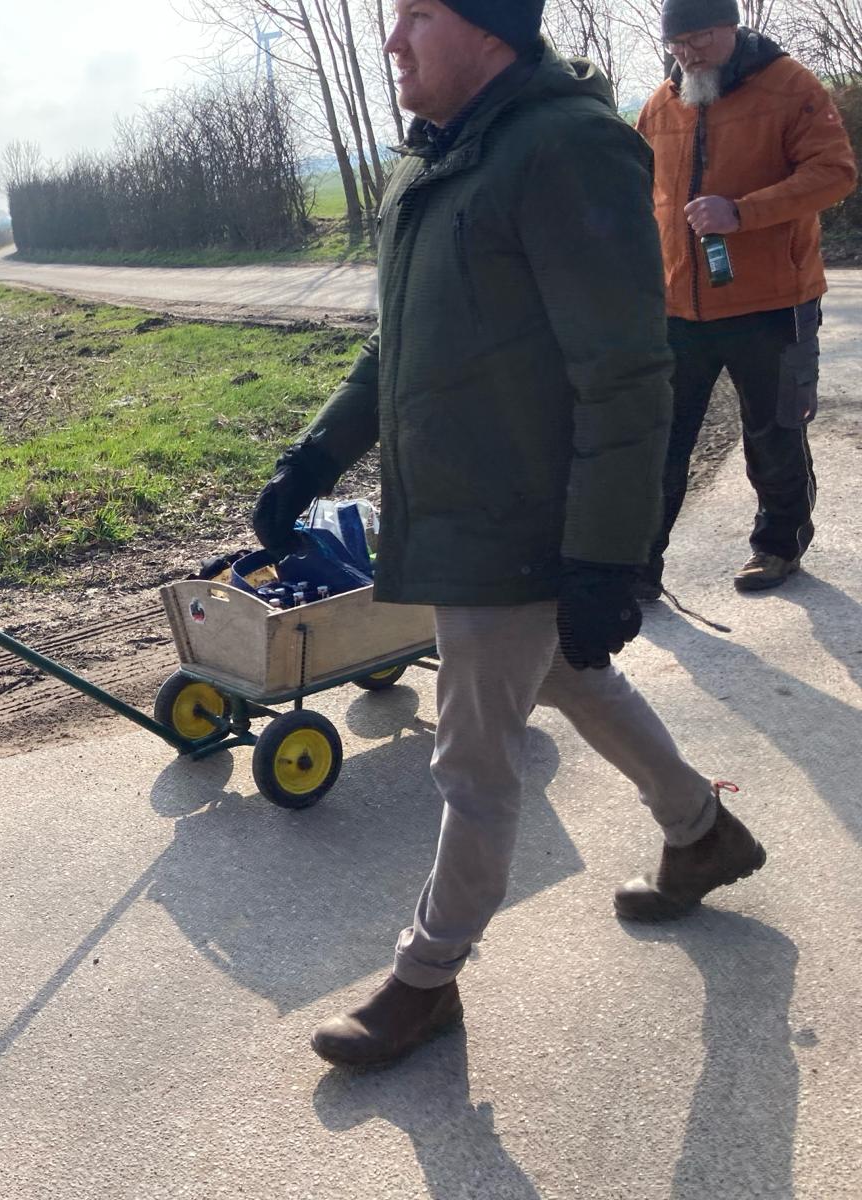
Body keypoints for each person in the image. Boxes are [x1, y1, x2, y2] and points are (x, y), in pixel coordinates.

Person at [251, 0, 765, 1068]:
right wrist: (313, 457)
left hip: (528, 522)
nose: (391, 42)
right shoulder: (430, 163)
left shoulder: (567, 149)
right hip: (461, 510)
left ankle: (424, 978)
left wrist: (606, 555)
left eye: (415, 16)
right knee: (571, 677)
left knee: (473, 763)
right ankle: (701, 833)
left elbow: (626, 372)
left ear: (486, 26)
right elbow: (397, 347)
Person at [637, 0, 856, 596]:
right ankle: (637, 568)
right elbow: (638, 192)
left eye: (700, 38)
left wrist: (742, 212)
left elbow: (835, 172)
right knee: (660, 439)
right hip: (678, 307)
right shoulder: (660, 104)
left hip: (773, 301)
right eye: (678, 43)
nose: (688, 54)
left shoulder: (790, 86)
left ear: (730, 27)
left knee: (774, 430)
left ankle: (779, 547)